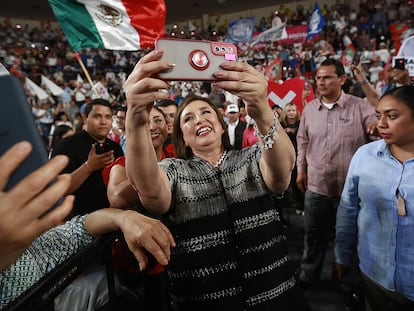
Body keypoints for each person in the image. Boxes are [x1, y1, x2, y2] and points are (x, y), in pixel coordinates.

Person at [123, 49, 309, 310]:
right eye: (188, 119)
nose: (199, 119)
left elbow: (281, 175)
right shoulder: (172, 170)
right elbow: (149, 191)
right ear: (182, 138)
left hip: (277, 298)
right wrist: (135, 116)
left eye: (206, 113)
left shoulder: (252, 158)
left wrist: (260, 107)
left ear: (221, 126)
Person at [0, 141, 175, 309]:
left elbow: (80, 228)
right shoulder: (76, 149)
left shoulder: (33, 251)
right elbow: (117, 196)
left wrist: (123, 218)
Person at [296, 58, 378, 291]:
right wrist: (301, 170)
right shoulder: (310, 109)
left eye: (327, 77)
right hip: (317, 187)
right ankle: (309, 274)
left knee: (350, 238)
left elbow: (377, 120)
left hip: (351, 192)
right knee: (313, 236)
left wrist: (374, 126)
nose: (321, 82)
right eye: (318, 78)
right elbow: (302, 142)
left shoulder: (360, 106)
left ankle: (346, 279)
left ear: (342, 79)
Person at [333, 85, 414, 310]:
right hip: (374, 274)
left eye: (392, 116)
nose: (381, 124)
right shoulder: (364, 156)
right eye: (379, 116)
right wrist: (342, 254)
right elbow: (348, 209)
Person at [104, 106, 174, 311]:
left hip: (176, 254)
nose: (152, 126)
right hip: (139, 261)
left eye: (158, 120)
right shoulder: (122, 165)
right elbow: (117, 197)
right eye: (144, 122)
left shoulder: (175, 154)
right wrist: (154, 170)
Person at [51, 98, 123, 216]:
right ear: (85, 118)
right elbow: (57, 189)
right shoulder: (67, 145)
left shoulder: (116, 147)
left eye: (108, 117)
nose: (103, 122)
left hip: (113, 217)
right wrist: (89, 167)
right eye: (97, 116)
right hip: (78, 221)